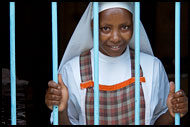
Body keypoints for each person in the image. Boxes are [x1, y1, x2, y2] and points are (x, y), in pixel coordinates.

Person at [45, 2, 188, 125]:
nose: (115, 38)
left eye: (125, 27)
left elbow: (157, 120)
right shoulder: (72, 70)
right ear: (92, 26)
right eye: (105, 28)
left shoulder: (152, 67)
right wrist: (61, 110)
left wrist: (172, 113)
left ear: (133, 25)